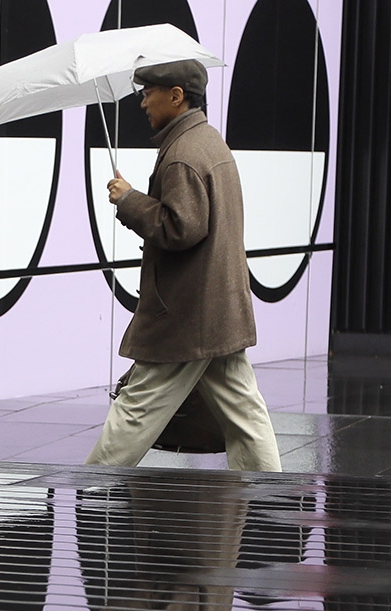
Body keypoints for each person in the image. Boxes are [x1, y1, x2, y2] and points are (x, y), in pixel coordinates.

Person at [85, 58, 282, 472]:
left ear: (176, 96)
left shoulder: (182, 155)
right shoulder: (209, 142)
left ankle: (90, 484)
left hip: (187, 314)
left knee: (138, 405)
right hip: (219, 308)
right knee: (243, 409)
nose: (142, 103)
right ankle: (272, 489)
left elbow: (181, 228)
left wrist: (128, 199)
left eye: (148, 93)